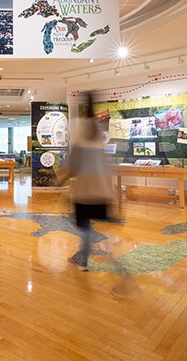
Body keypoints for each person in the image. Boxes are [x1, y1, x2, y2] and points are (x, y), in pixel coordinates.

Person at [59, 92, 113, 271]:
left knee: (84, 224)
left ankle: (82, 257)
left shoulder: (81, 132)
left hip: (85, 189)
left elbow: (73, 164)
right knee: (88, 223)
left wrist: (59, 180)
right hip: (101, 188)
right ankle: (84, 254)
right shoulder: (98, 133)